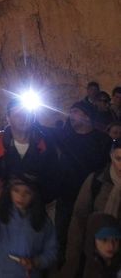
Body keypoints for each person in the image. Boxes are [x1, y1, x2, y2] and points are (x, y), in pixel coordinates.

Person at [52, 101, 111, 265]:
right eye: (71, 112)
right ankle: (60, 262)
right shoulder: (65, 138)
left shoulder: (102, 141)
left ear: (87, 116)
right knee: (61, 231)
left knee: (86, 234)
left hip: (91, 197)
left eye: (76, 112)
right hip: (66, 195)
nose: (71, 116)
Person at [0, 98, 59, 204]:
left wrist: (38, 200)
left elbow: (54, 178)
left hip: (33, 209)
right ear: (8, 118)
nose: (23, 118)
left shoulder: (46, 144)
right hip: (0, 209)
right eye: (18, 114)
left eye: (27, 113)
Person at [0, 175, 57, 278]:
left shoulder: (43, 221)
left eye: (27, 192)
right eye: (16, 190)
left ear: (34, 194)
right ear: (9, 190)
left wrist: (36, 262)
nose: (21, 196)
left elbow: (52, 251)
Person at [62, 139, 121, 277]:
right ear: (112, 156)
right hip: (92, 258)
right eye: (119, 158)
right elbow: (79, 219)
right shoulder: (96, 181)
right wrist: (73, 259)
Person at [82, 213, 121, 278]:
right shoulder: (84, 268)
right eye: (104, 240)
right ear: (93, 240)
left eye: (116, 239)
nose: (111, 246)